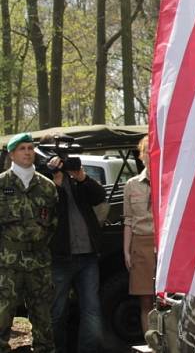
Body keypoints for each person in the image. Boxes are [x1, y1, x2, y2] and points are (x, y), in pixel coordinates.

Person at [0, 133, 58, 353]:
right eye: (22, 148)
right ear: (12, 154)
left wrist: (38, 246)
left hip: (38, 262)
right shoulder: (2, 184)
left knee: (43, 316)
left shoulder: (47, 186)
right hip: (7, 263)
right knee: (2, 315)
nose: (27, 152)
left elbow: (53, 224)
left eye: (30, 148)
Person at [47, 150, 106, 353]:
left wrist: (81, 176)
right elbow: (45, 208)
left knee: (92, 309)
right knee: (57, 312)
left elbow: (99, 196)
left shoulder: (77, 179)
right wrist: (55, 180)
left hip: (87, 256)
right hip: (60, 258)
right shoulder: (44, 178)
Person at [123, 137, 155, 334]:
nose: (150, 156)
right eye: (146, 152)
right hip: (140, 245)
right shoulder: (132, 185)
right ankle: (151, 344)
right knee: (145, 301)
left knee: (168, 300)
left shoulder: (168, 181)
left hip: (163, 244)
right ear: (141, 156)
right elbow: (128, 220)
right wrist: (126, 251)